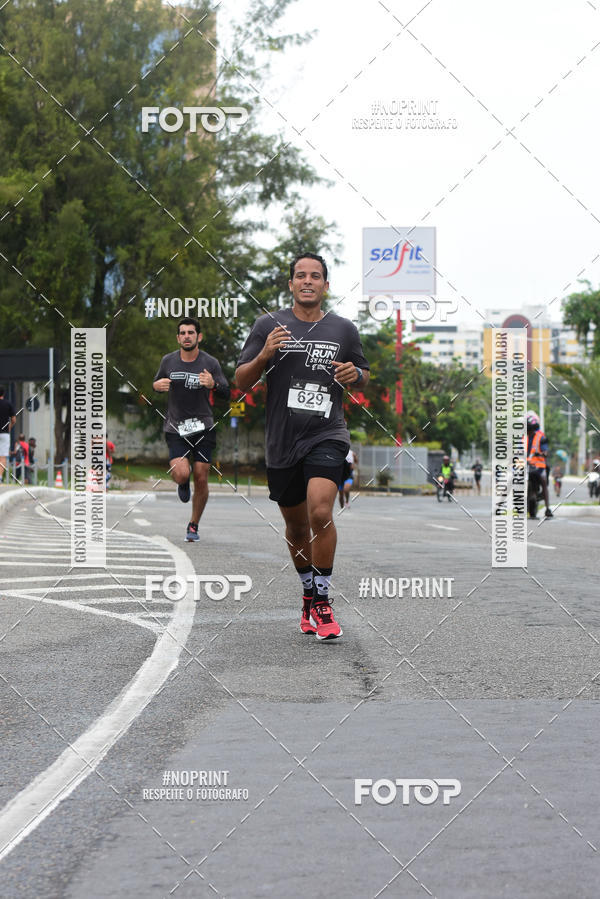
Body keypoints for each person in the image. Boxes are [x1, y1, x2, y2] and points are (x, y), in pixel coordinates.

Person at [235, 252, 370, 640]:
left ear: (326, 285)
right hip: (282, 442)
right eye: (300, 276)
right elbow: (242, 381)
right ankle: (308, 594)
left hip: (327, 433)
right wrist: (264, 354)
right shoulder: (268, 324)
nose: (307, 281)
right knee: (295, 527)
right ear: (291, 284)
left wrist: (354, 373)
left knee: (320, 511)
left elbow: (362, 374)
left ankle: (324, 601)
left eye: (316, 276)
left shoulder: (343, 329)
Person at [153, 317, 230, 542]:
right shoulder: (168, 361)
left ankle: (193, 524)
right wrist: (156, 386)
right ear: (178, 338)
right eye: (183, 333)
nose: (187, 336)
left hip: (203, 427)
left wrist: (213, 384)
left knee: (202, 476)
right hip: (176, 427)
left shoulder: (211, 363)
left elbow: (226, 391)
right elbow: (157, 383)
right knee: (181, 473)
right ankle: (183, 482)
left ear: (199, 336)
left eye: (191, 332)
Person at [526, 410, 553, 518]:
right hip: (524, 465)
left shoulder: (541, 437)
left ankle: (547, 508)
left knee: (543, 481)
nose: (528, 430)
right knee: (511, 478)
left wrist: (543, 453)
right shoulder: (522, 438)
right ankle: (500, 505)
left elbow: (545, 450)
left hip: (538, 467)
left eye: (529, 427)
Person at [0, 386, 16, 482]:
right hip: (4, 433)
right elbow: (13, 419)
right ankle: (0, 477)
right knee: (2, 457)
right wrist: (9, 427)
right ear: (3, 394)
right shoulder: (8, 404)